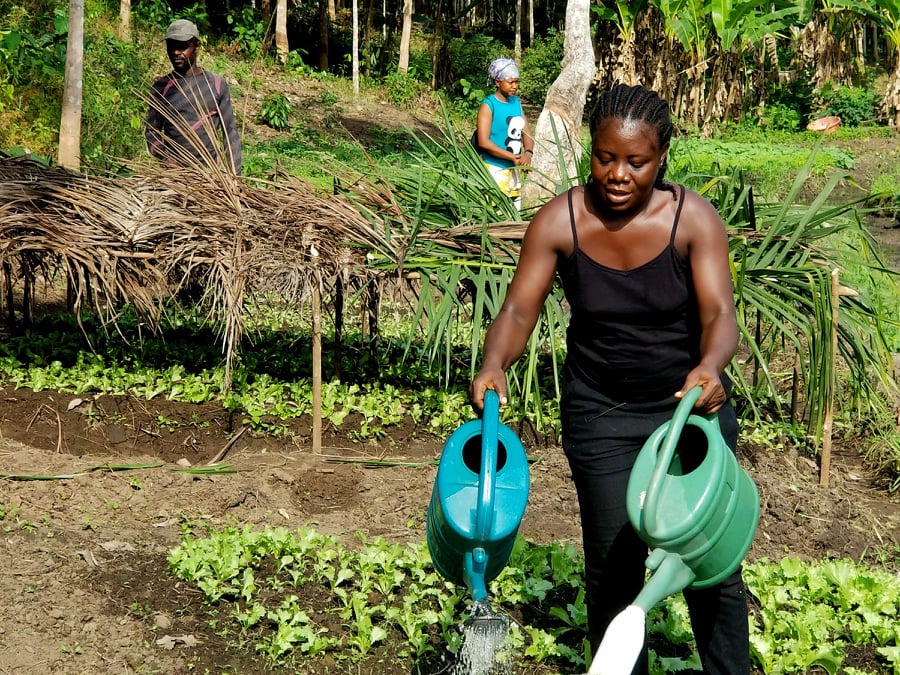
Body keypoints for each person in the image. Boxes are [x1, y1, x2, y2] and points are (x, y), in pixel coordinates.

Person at [468, 83, 750, 675]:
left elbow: (720, 314)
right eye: (605, 157)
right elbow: (520, 310)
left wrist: (712, 367)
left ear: (662, 159)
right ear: (588, 152)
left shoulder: (690, 218)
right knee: (613, 563)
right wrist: (495, 364)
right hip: (601, 412)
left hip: (689, 408)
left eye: (636, 161)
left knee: (707, 561)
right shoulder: (560, 221)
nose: (618, 174)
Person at [146, 19, 242, 174]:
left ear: (197, 46)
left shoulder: (216, 84)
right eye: (171, 46)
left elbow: (230, 132)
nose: (176, 52)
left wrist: (235, 176)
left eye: (183, 47)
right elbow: (151, 132)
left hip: (210, 174)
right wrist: (164, 157)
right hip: (172, 176)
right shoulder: (161, 87)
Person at [475, 58, 534, 210]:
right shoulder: (488, 105)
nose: (515, 86)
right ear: (497, 82)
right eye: (510, 82)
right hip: (494, 169)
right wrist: (513, 157)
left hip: (513, 169)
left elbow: (526, 131)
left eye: (517, 82)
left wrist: (528, 153)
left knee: (514, 211)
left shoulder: (516, 102)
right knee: (496, 213)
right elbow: (483, 142)